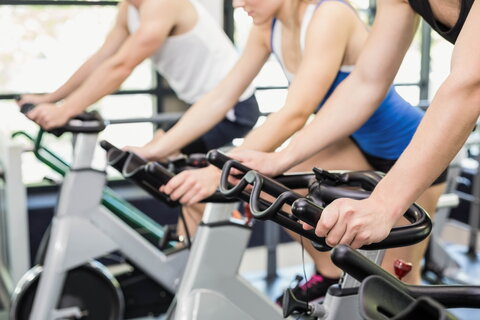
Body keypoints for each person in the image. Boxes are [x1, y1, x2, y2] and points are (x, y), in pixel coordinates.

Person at [159, 0, 446, 303]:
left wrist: (220, 169)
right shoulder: (267, 27)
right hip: (351, 145)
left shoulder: (329, 14)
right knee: (267, 189)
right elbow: (221, 96)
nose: (240, 3)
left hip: (405, 152)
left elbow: (297, 111)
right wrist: (158, 148)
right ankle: (329, 273)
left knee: (396, 278)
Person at [17, 0, 259, 157]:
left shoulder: (162, 5)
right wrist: (51, 99)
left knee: (171, 168)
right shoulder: (129, 7)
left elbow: (121, 67)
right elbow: (103, 58)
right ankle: (190, 236)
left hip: (232, 109)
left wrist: (65, 111)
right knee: (178, 183)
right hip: (203, 106)